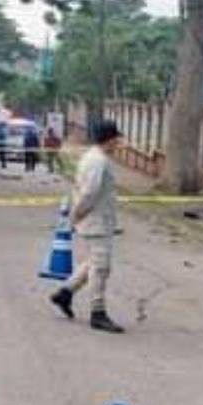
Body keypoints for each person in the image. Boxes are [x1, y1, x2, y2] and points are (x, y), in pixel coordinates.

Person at [50, 120, 126, 333]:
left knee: (92, 263)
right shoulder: (98, 161)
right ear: (109, 139)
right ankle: (97, 312)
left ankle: (64, 293)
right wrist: (76, 216)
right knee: (101, 267)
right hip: (95, 221)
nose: (118, 143)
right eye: (116, 139)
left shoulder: (95, 157)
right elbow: (89, 193)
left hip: (98, 219)